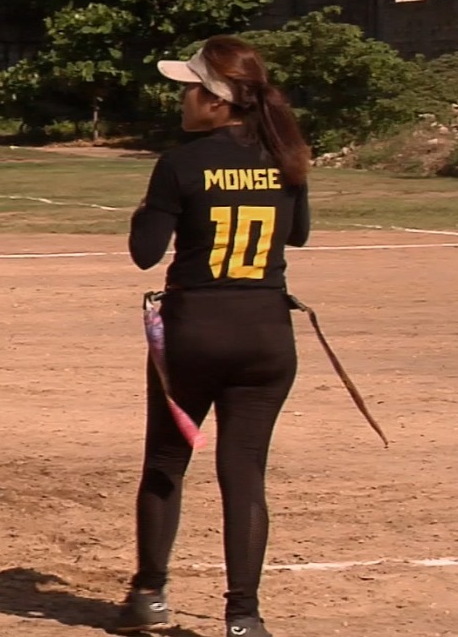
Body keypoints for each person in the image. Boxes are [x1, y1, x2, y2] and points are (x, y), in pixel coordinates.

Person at [116, 36, 311, 637]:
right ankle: (244, 616)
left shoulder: (180, 162)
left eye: (191, 86)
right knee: (244, 472)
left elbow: (145, 254)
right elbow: (297, 235)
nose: (183, 96)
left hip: (196, 331)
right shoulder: (285, 155)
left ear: (218, 101)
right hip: (265, 332)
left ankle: (149, 597)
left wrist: (146, 209)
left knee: (167, 463)